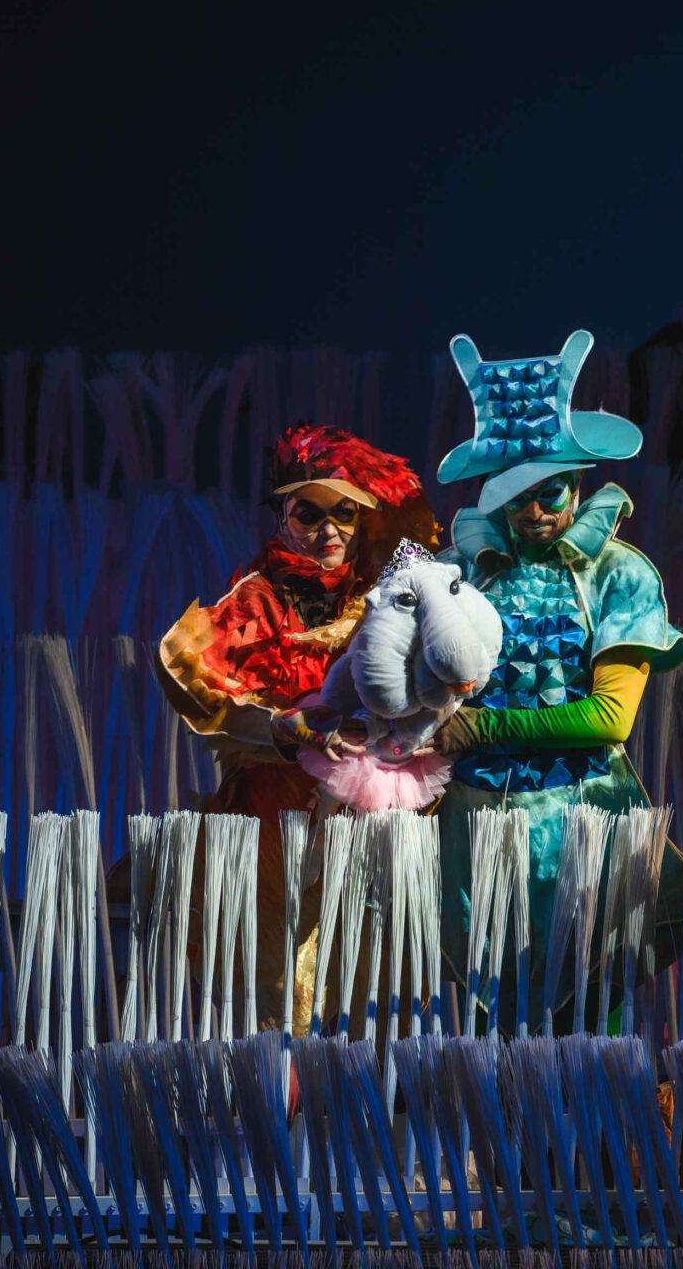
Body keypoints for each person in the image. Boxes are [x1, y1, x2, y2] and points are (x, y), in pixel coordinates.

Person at [428, 330, 683, 1030]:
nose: (536, 513)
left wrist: (486, 725)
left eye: (551, 492)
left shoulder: (616, 573)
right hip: (477, 825)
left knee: (591, 1015)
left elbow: (610, 718)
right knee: (491, 1024)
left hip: (583, 822)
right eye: (518, 497)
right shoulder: (456, 570)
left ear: (578, 484)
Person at [154, 423, 440, 1024]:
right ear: (282, 518)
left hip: (370, 823)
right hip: (274, 823)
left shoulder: (391, 596)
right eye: (310, 513)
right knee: (275, 989)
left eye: (344, 513)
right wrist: (284, 728)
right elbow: (188, 676)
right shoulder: (254, 601)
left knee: (373, 986)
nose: (329, 530)